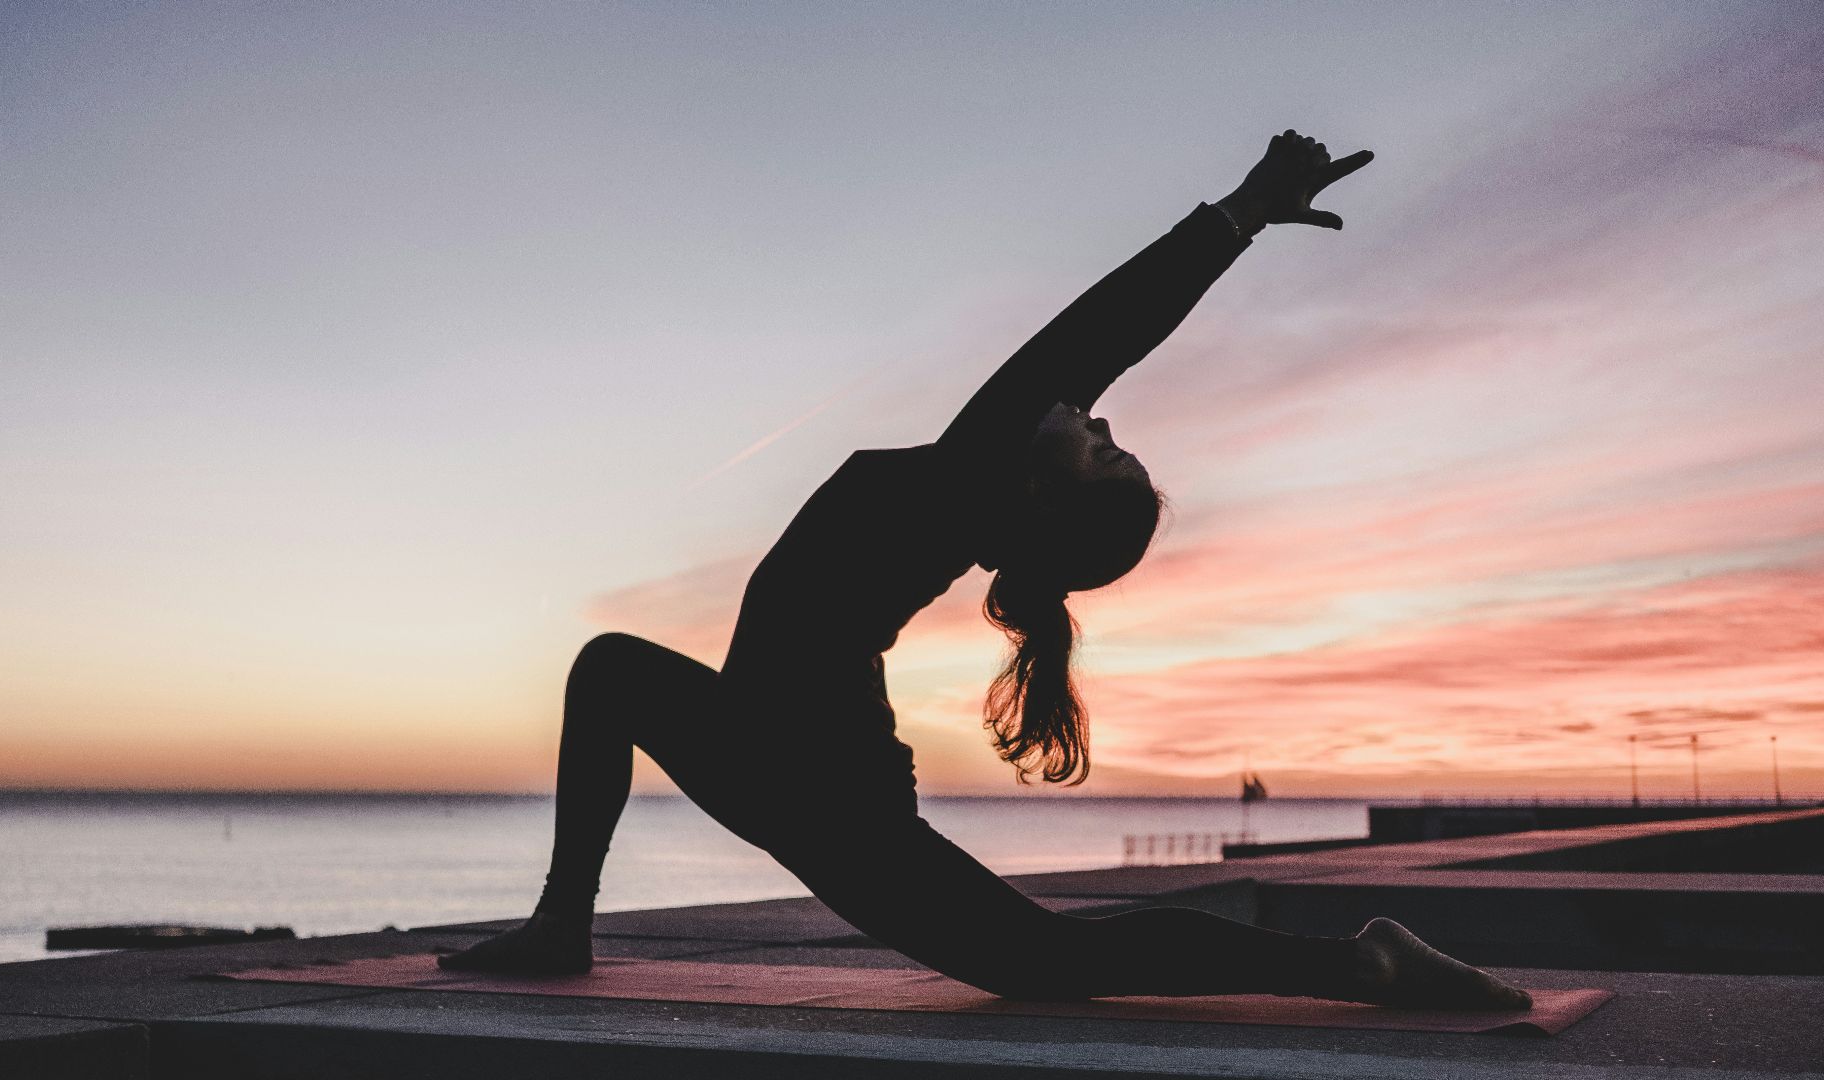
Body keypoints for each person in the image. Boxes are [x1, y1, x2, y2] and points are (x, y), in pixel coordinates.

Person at [441, 130, 1531, 1010]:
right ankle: (562, 924)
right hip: (770, 750)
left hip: (819, 787)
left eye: (1102, 447)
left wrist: (1240, 214)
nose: (1094, 415)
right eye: (1109, 433)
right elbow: (1093, 354)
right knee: (610, 670)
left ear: (1043, 498)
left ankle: (1358, 963)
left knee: (1048, 967)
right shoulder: (969, 493)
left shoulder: (973, 477)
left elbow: (1101, 332)